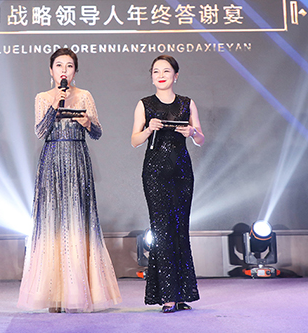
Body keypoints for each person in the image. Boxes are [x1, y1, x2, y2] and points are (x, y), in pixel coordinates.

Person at [18, 48, 121, 313]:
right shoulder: (43, 97)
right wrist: (55, 105)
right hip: (52, 161)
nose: (64, 71)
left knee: (77, 221)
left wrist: (88, 123)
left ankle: (78, 293)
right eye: (59, 66)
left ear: (75, 71)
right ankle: (53, 295)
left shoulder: (85, 96)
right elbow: (40, 131)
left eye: (69, 66)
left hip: (77, 159)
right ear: (51, 70)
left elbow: (97, 133)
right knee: (52, 222)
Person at [130, 55, 205, 313]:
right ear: (151, 77)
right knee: (161, 231)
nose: (161, 75)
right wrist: (148, 129)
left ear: (176, 75)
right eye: (156, 71)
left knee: (180, 229)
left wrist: (192, 132)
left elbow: (200, 138)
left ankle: (182, 294)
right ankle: (167, 296)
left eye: (166, 71)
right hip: (155, 173)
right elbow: (134, 140)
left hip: (182, 172)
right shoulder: (145, 104)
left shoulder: (187, 103)